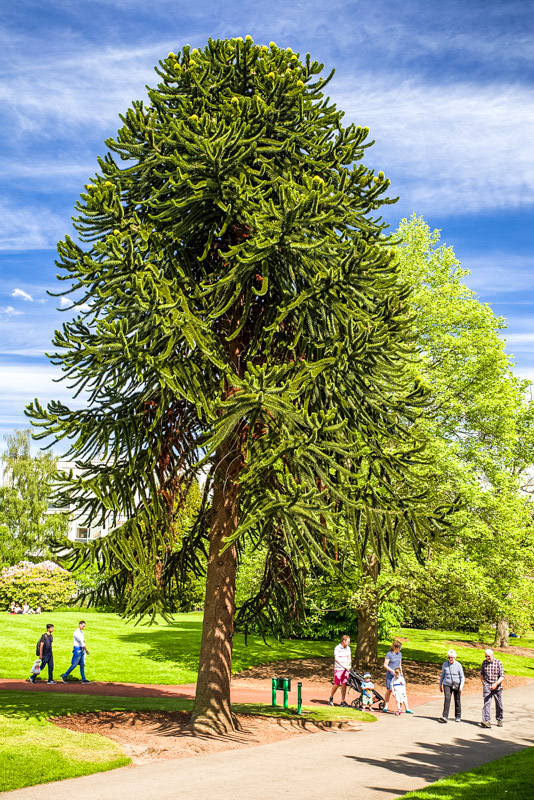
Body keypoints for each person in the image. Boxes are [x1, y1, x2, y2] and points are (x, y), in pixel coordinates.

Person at [439, 648, 465, 723]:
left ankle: (458, 716)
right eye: (449, 657)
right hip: (447, 683)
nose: (450, 659)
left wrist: (461, 686)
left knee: (457, 700)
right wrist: (440, 684)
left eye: (452, 657)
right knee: (447, 699)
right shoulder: (445, 664)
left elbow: (462, 676)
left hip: (456, 684)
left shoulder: (458, 665)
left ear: (455, 657)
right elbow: (442, 675)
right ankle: (445, 716)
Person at [480, 648, 504, 728]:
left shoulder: (498, 663)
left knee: (499, 703)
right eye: (486, 656)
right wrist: (483, 683)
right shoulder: (484, 663)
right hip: (487, 685)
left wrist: (496, 683)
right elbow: (482, 674)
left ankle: (499, 719)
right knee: (487, 703)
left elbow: (502, 676)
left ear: (492, 655)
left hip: (497, 687)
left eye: (489, 656)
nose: (487, 658)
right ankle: (486, 721)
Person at [328, 634, 351, 707]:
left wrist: (348, 665)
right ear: (344, 641)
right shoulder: (337, 648)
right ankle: (331, 697)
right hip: (339, 668)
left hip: (346, 668)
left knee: (344, 684)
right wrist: (343, 666)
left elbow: (349, 658)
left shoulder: (348, 648)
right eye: (348, 641)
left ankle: (342, 701)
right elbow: (336, 659)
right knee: (337, 684)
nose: (348, 643)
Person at [383, 639, 403, 712]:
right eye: (399, 647)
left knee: (399, 690)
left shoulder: (399, 654)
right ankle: (385, 706)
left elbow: (399, 664)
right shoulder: (389, 654)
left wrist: (401, 674)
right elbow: (385, 665)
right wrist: (392, 671)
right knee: (389, 690)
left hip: (398, 675)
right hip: (390, 675)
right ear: (395, 647)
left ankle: (400, 708)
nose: (400, 649)